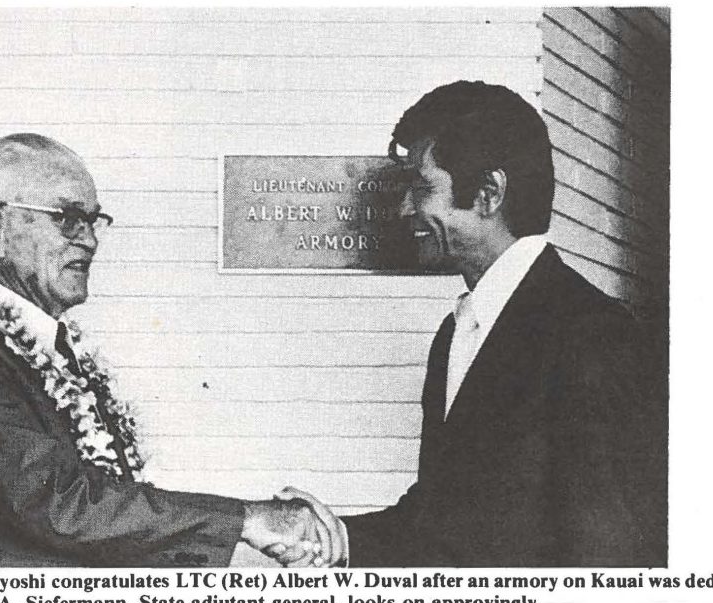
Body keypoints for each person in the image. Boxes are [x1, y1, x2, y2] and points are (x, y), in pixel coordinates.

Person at [284, 80, 666, 567]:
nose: (405, 209)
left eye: (421, 189)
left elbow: (612, 554)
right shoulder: (455, 335)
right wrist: (327, 537)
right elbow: (437, 521)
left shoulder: (594, 335)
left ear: (488, 194)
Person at [0, 133, 341, 567]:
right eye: (69, 218)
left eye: (94, 221)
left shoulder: (57, 346)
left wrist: (246, 537)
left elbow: (112, 511)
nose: (90, 241)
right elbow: (58, 504)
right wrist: (245, 521)